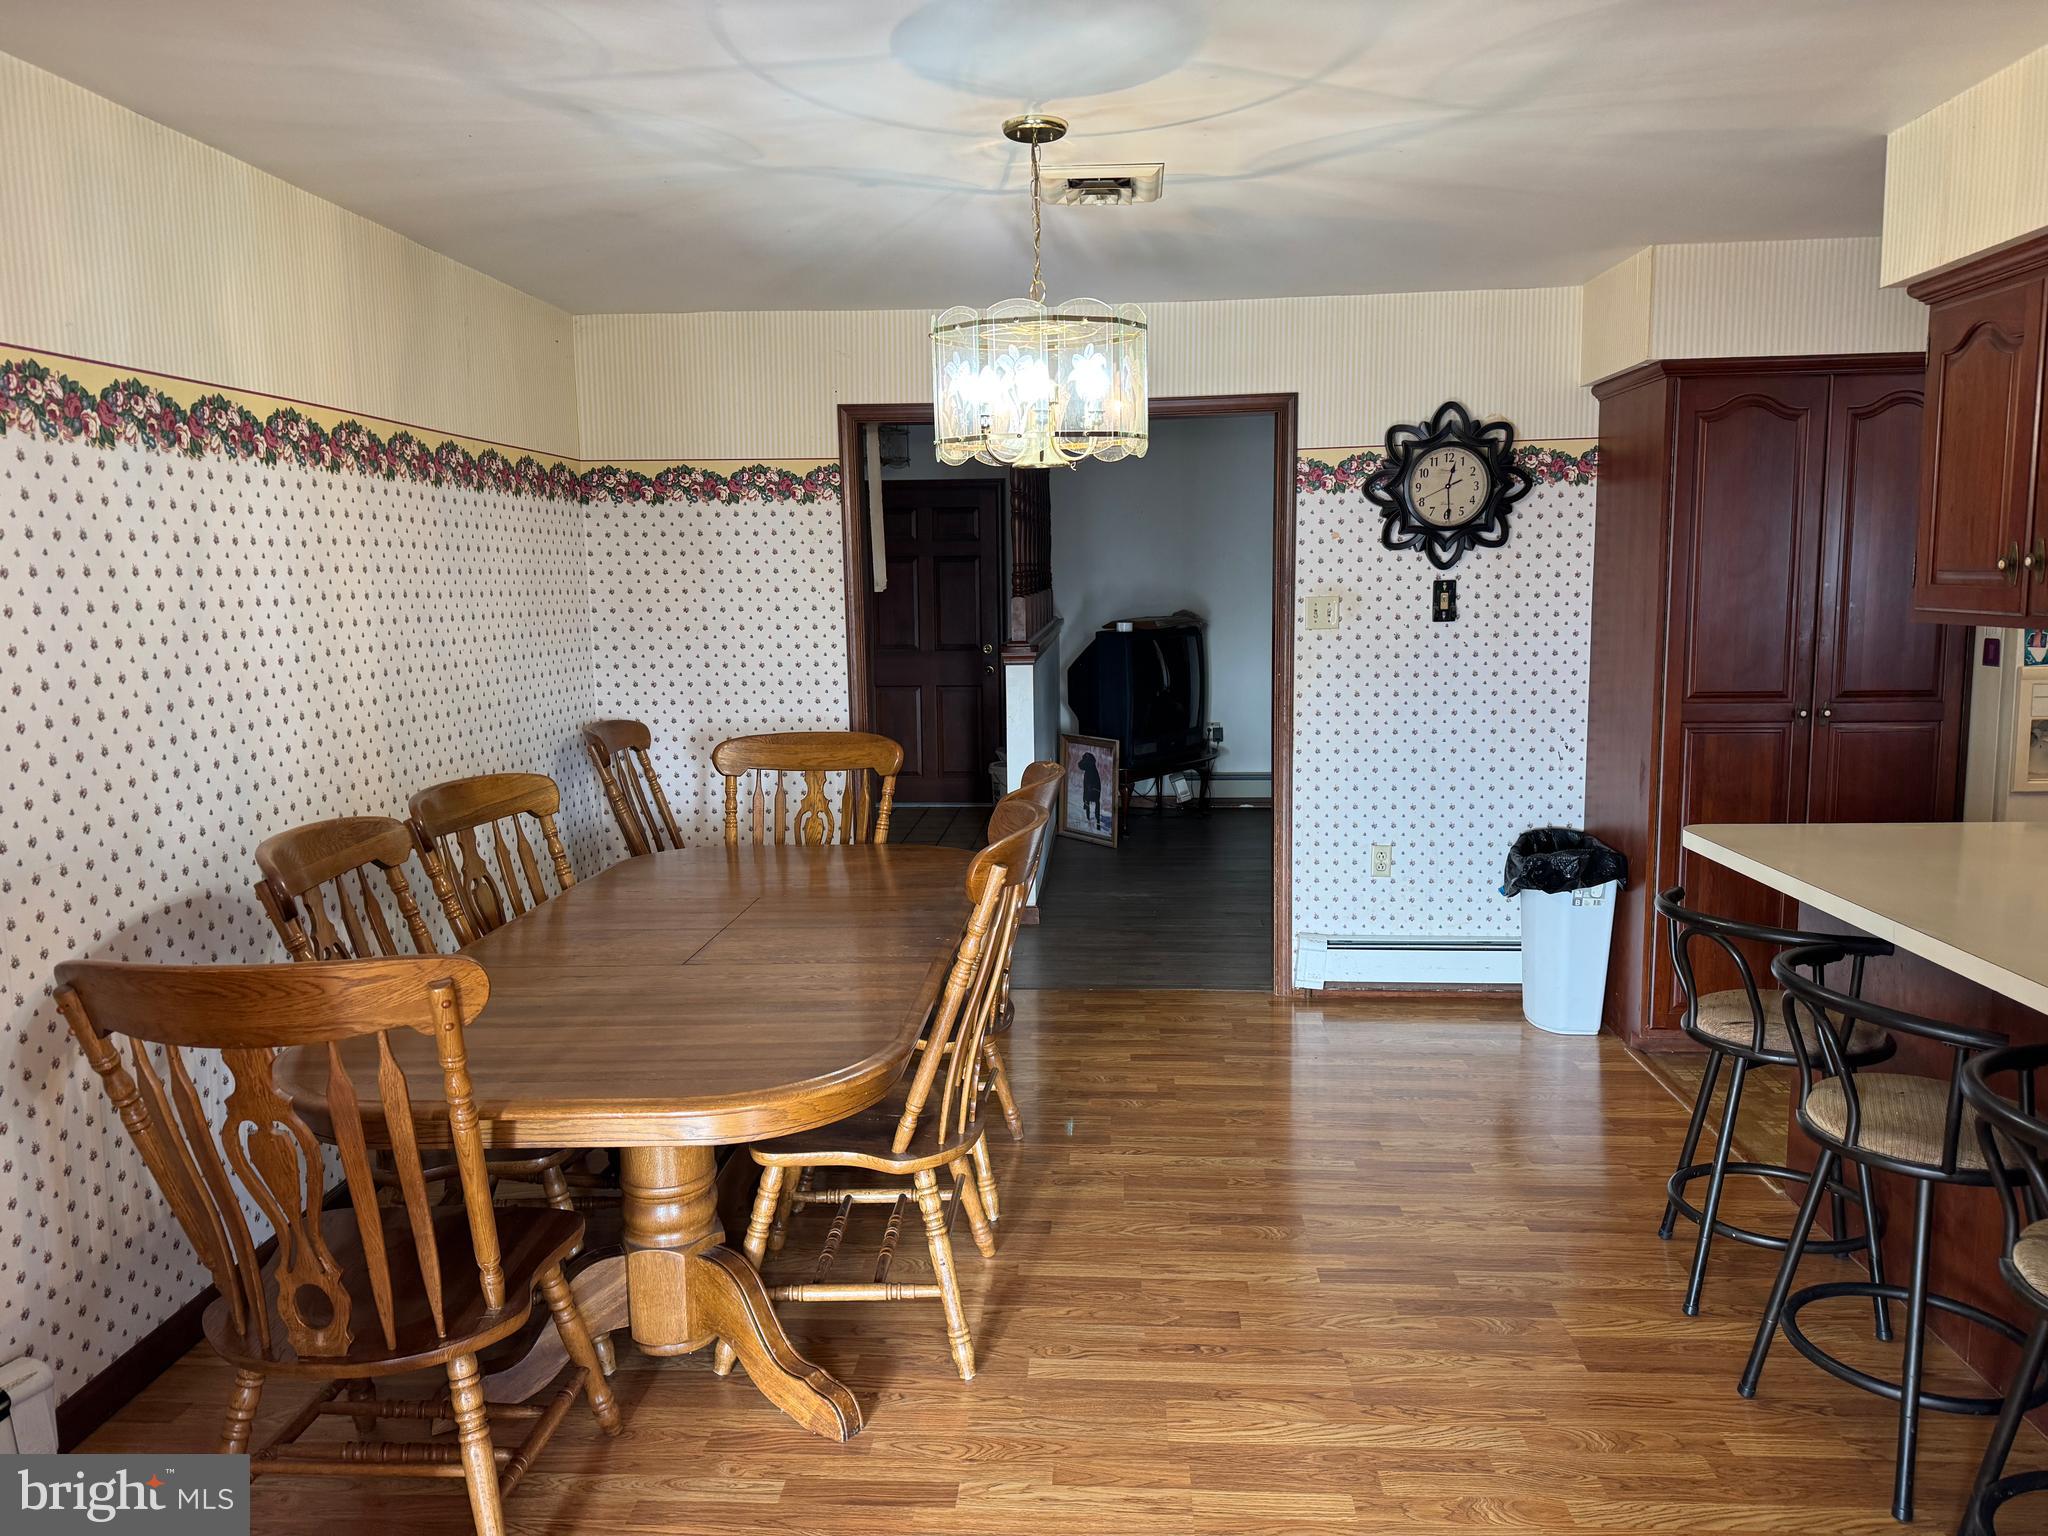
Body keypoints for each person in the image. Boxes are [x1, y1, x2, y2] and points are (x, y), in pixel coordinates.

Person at [1079, 750, 1103, 832]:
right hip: (1093, 785)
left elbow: (1081, 765)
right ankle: (1090, 818)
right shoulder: (1089, 769)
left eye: (1084, 759)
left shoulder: (1090, 768)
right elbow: (1080, 765)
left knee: (1091, 799)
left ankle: (1096, 820)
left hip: (1094, 786)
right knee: (1092, 800)